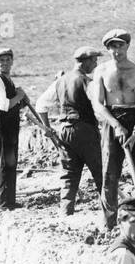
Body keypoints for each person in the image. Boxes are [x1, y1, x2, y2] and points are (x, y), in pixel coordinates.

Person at [91, 29, 135, 228]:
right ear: (108, 48)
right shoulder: (100, 71)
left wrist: (134, 133)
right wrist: (116, 125)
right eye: (112, 46)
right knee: (109, 174)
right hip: (112, 122)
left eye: (120, 45)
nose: (117, 50)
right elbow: (98, 104)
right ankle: (109, 223)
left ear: (127, 46)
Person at [35, 46, 103, 217]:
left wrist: (47, 127)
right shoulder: (87, 82)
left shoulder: (60, 81)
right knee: (100, 172)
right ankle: (109, 211)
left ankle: (65, 213)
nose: (95, 64)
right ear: (85, 62)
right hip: (85, 131)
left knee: (69, 175)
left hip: (65, 131)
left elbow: (41, 105)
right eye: (94, 60)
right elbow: (98, 107)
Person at [0, 47, 29, 210]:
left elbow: (15, 102)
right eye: (1, 60)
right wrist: (19, 95)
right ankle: (2, 203)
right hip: (0, 125)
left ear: (12, 61)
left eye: (7, 59)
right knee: (4, 162)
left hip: (10, 125)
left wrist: (21, 98)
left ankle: (9, 200)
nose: (5, 63)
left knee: (11, 161)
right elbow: (4, 105)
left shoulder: (9, 80)